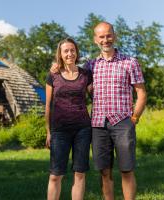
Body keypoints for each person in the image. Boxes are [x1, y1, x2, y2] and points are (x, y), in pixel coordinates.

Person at [88, 22, 147, 200]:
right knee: (104, 172)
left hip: (122, 122)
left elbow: (141, 92)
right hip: (98, 124)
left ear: (114, 36)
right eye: (101, 36)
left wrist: (134, 118)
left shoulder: (130, 62)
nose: (105, 40)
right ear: (95, 40)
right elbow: (71, 78)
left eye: (108, 35)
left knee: (126, 169)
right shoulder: (90, 66)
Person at [45, 38, 92, 200]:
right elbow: (48, 105)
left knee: (79, 173)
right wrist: (48, 131)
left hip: (83, 129)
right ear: (60, 54)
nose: (70, 53)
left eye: (72, 50)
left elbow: (96, 97)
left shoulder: (86, 74)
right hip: (60, 130)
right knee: (55, 175)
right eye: (66, 51)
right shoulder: (53, 75)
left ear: (77, 52)